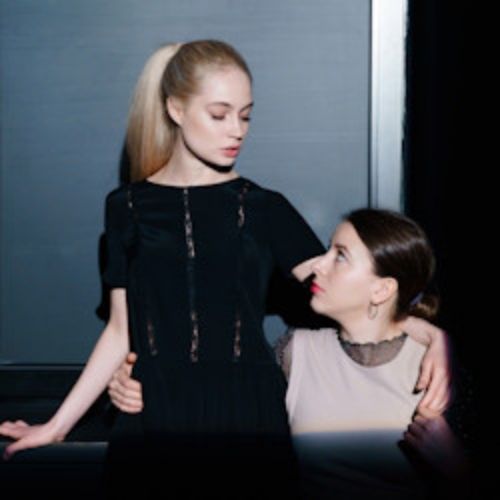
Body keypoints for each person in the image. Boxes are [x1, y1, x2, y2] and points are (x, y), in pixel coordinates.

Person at [0, 40, 451, 499]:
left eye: (245, 116)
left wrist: (432, 335)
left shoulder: (265, 207)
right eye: (219, 115)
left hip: (248, 414)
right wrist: (56, 426)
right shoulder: (125, 207)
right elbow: (120, 332)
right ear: (175, 109)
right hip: (153, 412)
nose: (237, 130)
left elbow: (343, 293)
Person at [275, 209, 470, 499]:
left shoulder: (434, 369)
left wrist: (457, 469)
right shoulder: (295, 351)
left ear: (381, 290)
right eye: (328, 250)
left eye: (341, 256)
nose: (318, 265)